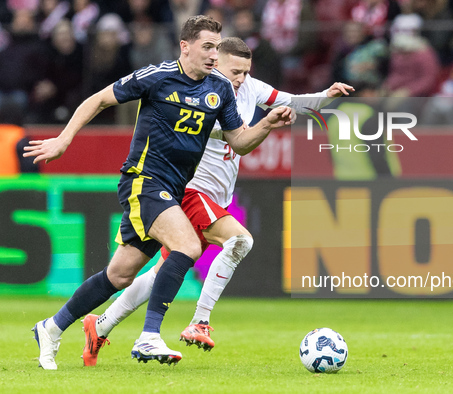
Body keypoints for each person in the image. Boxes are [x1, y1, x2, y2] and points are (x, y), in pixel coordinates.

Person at [25, 15, 293, 370]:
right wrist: (63, 139)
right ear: (186, 46)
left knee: (119, 275)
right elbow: (99, 100)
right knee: (187, 245)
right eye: (207, 47)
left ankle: (52, 327)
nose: (214, 55)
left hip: (172, 189)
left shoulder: (221, 90)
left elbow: (240, 143)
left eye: (217, 46)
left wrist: (267, 124)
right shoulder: (157, 76)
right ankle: (149, 335)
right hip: (143, 180)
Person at [78, 36, 353, 367]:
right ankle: (199, 321)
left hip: (215, 196)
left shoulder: (249, 87)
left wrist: (326, 95)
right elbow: (216, 132)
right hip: (192, 190)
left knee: (162, 272)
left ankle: (100, 325)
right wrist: (259, 125)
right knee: (239, 240)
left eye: (244, 72)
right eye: (234, 71)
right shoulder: (201, 91)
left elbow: (293, 101)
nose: (239, 78)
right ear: (215, 62)